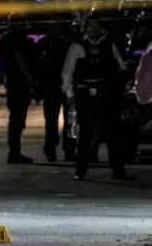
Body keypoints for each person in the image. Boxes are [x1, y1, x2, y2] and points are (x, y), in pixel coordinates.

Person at [61, 15, 133, 181]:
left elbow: (122, 68)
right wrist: (70, 94)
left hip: (106, 93)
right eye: (90, 26)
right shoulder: (77, 47)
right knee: (85, 133)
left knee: (113, 134)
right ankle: (80, 170)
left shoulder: (109, 45)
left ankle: (118, 171)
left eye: (97, 26)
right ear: (85, 28)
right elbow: (67, 72)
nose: (94, 29)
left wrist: (125, 88)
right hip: (86, 93)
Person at [0, 13, 37, 164]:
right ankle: (14, 152)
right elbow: (19, 58)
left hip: (11, 81)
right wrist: (30, 78)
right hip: (19, 82)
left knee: (16, 118)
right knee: (18, 119)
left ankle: (14, 151)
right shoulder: (17, 39)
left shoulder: (4, 39)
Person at [34, 23, 76, 162]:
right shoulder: (52, 43)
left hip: (60, 87)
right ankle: (61, 150)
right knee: (65, 121)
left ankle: (57, 150)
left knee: (61, 122)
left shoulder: (49, 42)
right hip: (57, 87)